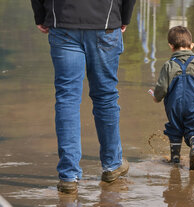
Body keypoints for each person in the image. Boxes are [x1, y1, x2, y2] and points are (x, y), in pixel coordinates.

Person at [31, 0, 136, 194]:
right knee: (105, 97)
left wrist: (40, 15)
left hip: (62, 21)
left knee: (67, 99)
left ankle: (68, 176)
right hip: (105, 22)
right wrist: (124, 17)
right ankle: (112, 165)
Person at [152, 26, 194, 170]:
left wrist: (156, 97)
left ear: (171, 46)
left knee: (174, 129)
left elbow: (161, 88)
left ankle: (175, 159)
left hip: (173, 106)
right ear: (191, 45)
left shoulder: (168, 66)